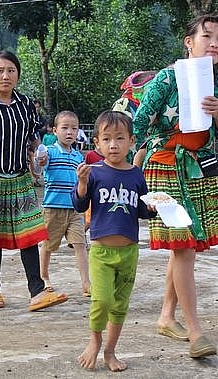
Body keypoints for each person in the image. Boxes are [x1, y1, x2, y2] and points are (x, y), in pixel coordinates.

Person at [132, 14, 218, 358]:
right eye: (207, 36)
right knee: (184, 248)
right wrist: (152, 148)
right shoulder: (166, 78)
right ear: (188, 42)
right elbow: (139, 122)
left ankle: (166, 316)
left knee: (184, 248)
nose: (215, 44)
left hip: (198, 170)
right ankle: (195, 332)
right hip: (164, 167)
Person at [0, 50, 68, 311]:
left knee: (29, 235)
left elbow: (33, 137)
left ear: (18, 74)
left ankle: (36, 291)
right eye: (0, 70)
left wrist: (40, 153)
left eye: (11, 70)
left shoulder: (25, 104)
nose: (5, 76)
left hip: (21, 179)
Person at [72, 110, 155, 372]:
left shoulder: (136, 175)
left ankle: (110, 351)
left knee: (120, 305)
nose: (113, 145)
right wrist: (82, 182)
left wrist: (154, 207)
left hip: (129, 251)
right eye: (107, 139)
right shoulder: (95, 172)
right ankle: (94, 341)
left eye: (120, 138)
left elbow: (142, 211)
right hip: (101, 251)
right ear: (97, 142)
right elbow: (79, 204)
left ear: (131, 141)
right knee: (102, 301)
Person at [38, 111, 91, 297]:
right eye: (65, 128)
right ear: (55, 130)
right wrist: (40, 159)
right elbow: (41, 162)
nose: (69, 132)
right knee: (48, 245)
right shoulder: (49, 151)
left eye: (74, 128)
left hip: (75, 208)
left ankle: (86, 282)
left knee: (80, 244)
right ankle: (43, 277)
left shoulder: (78, 156)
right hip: (53, 208)